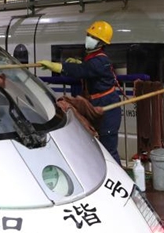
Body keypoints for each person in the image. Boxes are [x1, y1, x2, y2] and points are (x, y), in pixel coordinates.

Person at [40, 21, 123, 164]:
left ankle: (121, 180)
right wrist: (79, 64)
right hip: (98, 104)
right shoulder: (93, 58)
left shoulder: (100, 61)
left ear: (101, 43)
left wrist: (58, 67)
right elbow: (86, 68)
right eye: (88, 35)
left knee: (109, 150)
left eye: (93, 37)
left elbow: (82, 71)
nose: (89, 38)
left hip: (107, 107)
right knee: (98, 147)